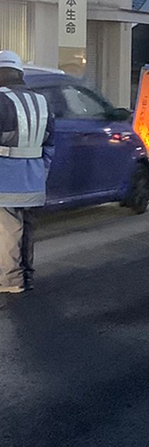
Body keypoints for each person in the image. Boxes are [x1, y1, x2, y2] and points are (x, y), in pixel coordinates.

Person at [0, 50, 54, 294]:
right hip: (33, 179)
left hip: (6, 179)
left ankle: (11, 281)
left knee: (8, 231)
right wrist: (41, 173)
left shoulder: (1, 100)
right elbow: (50, 144)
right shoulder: (42, 102)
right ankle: (27, 275)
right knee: (27, 229)